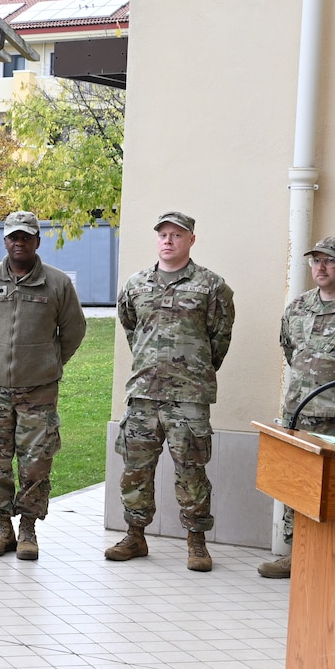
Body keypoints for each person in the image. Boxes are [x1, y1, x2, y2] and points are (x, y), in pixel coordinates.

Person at [108, 210, 235, 572]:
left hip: (189, 397)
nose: (168, 240)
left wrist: (191, 370)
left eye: (177, 235)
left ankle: (196, 541)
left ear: (191, 240)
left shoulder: (212, 286)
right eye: (163, 234)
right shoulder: (135, 285)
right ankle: (135, 534)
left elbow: (219, 340)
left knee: (191, 470)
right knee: (136, 467)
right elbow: (133, 330)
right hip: (144, 393)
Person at [0, 211, 87, 562]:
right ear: (5, 241)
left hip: (39, 391)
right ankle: (2, 528)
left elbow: (74, 331)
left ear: (37, 241)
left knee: (36, 463)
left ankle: (28, 529)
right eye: (13, 237)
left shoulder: (57, 284)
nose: (19, 243)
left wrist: (49, 362)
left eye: (26, 237)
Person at [259, 236, 335, 579]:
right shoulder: (298, 307)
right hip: (299, 413)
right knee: (296, 488)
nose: (321, 267)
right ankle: (296, 555)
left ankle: (333, 560)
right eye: (316, 260)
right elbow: (291, 351)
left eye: (330, 261)